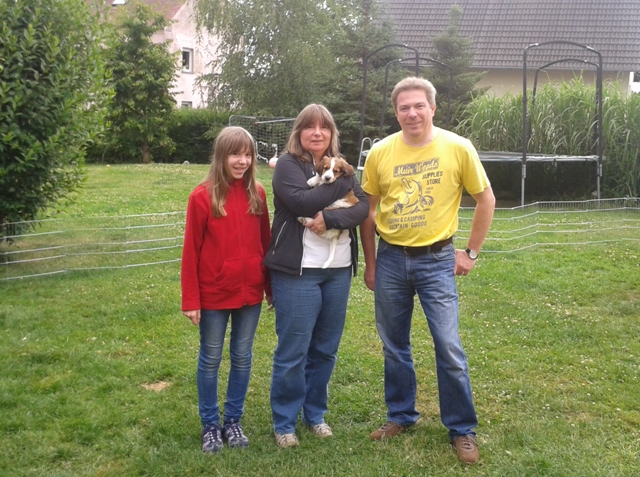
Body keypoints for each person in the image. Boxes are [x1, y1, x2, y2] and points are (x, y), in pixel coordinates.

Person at [360, 77, 495, 464]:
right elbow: (368, 212)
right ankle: (400, 415)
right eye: (404, 107)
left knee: (448, 346)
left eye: (419, 105)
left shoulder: (457, 147)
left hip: (437, 260)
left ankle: (462, 429)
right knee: (393, 345)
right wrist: (371, 263)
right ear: (395, 112)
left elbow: (485, 199)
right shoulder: (380, 152)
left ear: (433, 108)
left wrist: (470, 253)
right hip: (390, 259)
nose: (412, 113)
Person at [264, 104, 369, 448]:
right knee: (293, 349)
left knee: (325, 349)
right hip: (299, 270)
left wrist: (334, 218)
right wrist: (345, 182)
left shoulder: (340, 166)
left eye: (324, 127)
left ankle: (315, 415)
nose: (317, 133)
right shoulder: (288, 165)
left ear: (331, 134)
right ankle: (284, 422)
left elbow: (363, 208)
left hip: (337, 270)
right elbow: (302, 203)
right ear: (299, 132)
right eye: (310, 127)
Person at [181, 126, 272, 454]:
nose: (242, 161)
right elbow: (191, 251)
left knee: (242, 357)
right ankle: (210, 425)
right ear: (221, 156)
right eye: (235, 154)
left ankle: (233, 421)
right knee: (210, 359)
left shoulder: (257, 193)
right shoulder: (201, 196)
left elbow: (266, 243)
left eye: (248, 154)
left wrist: (270, 288)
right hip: (214, 294)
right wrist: (191, 299)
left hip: (250, 294)